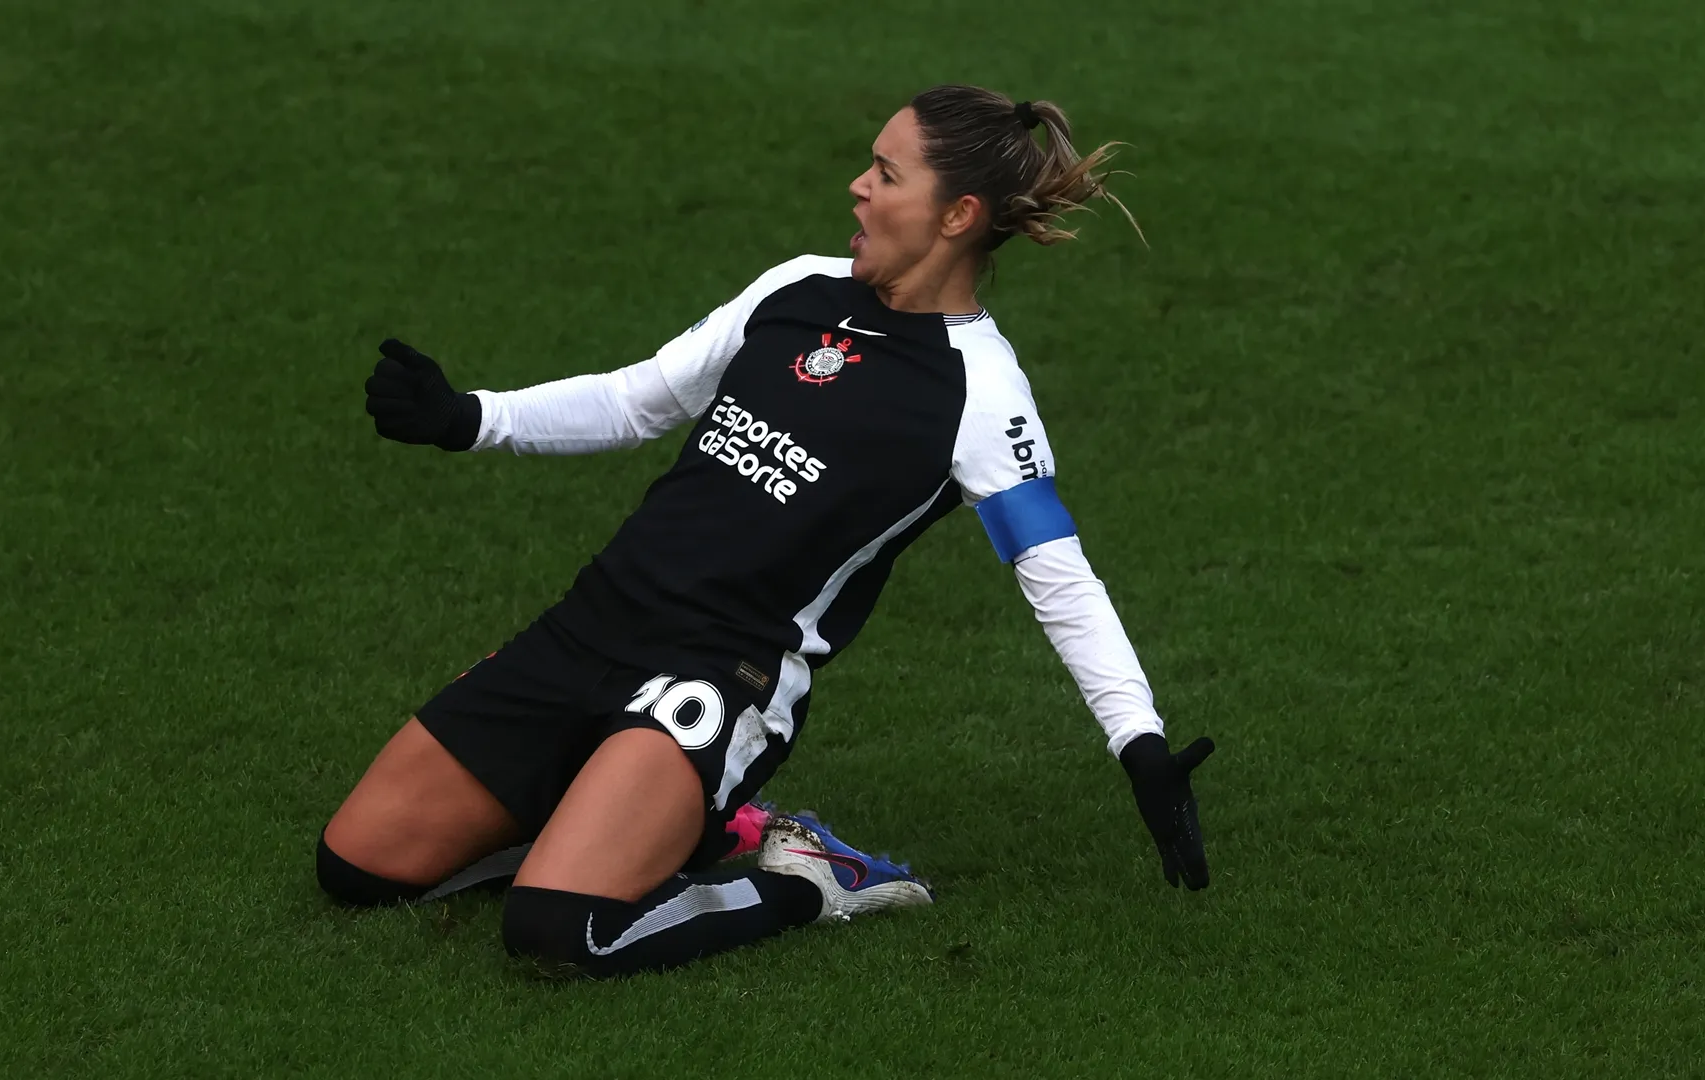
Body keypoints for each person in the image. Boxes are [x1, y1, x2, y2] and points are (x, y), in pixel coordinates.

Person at [319, 85, 1216, 978]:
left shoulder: (980, 394)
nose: (858, 188)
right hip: (591, 624)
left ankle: (810, 881)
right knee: (359, 865)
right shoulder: (799, 288)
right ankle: (639, 821)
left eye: (885, 173)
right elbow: (642, 398)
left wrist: (1138, 741)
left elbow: (1056, 574)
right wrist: (467, 417)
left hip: (718, 674)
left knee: (559, 930)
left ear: (957, 216)